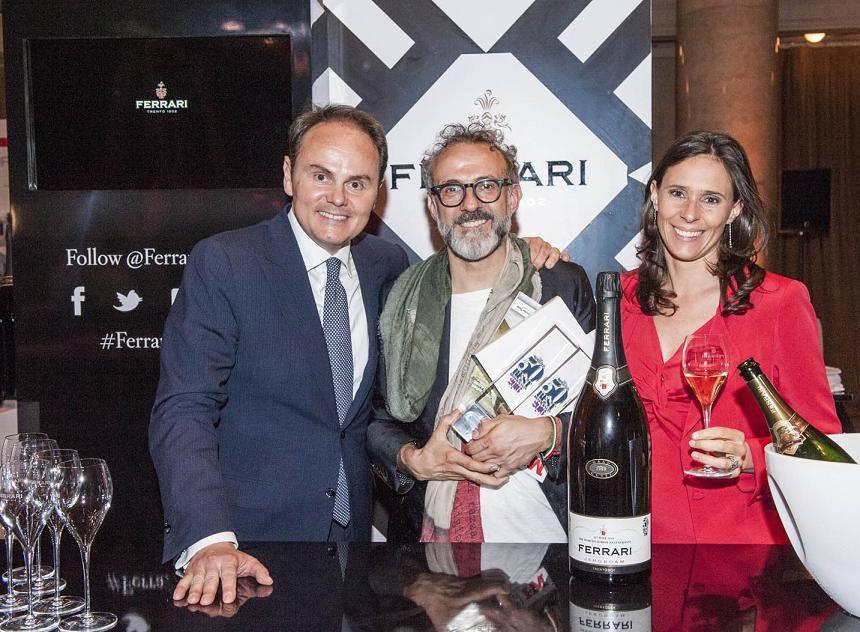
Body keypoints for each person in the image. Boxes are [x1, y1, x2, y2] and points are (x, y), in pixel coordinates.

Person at [150, 105, 567, 606]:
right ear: (288, 175)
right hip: (249, 549)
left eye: (357, 183)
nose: (337, 198)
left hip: (357, 555)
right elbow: (184, 408)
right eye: (321, 176)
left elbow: (379, 408)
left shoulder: (386, 266)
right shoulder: (226, 262)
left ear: (377, 193)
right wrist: (210, 538)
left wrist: (522, 252)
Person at [368, 123, 596, 543]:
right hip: (428, 548)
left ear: (513, 196)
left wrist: (547, 433)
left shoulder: (561, 285)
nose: (470, 204)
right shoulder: (401, 300)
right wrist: (413, 459)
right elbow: (376, 419)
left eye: (486, 186)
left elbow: (603, 410)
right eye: (452, 190)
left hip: (546, 539)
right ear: (433, 206)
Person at [621, 130, 841, 544]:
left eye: (710, 199)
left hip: (734, 551)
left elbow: (822, 442)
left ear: (734, 209)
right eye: (678, 193)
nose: (689, 214)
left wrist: (750, 456)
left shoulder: (779, 302)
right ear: (655, 195)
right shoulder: (620, 298)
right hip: (627, 540)